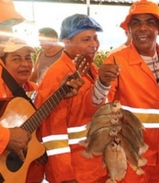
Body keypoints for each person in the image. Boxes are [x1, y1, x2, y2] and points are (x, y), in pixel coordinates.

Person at [0, 0, 83, 182]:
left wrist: (59, 92)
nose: (8, 35)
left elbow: (16, 107)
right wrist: (5, 138)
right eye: (3, 26)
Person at [84, 0, 159, 182]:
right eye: (135, 23)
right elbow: (95, 110)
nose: (142, 28)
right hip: (128, 159)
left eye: (149, 22)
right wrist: (102, 83)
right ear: (128, 30)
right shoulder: (116, 60)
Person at [26, 14, 110, 183]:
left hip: (95, 167)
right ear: (66, 41)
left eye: (95, 38)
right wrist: (65, 177)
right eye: (86, 39)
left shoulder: (90, 68)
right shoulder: (58, 75)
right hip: (76, 173)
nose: (94, 44)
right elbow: (52, 133)